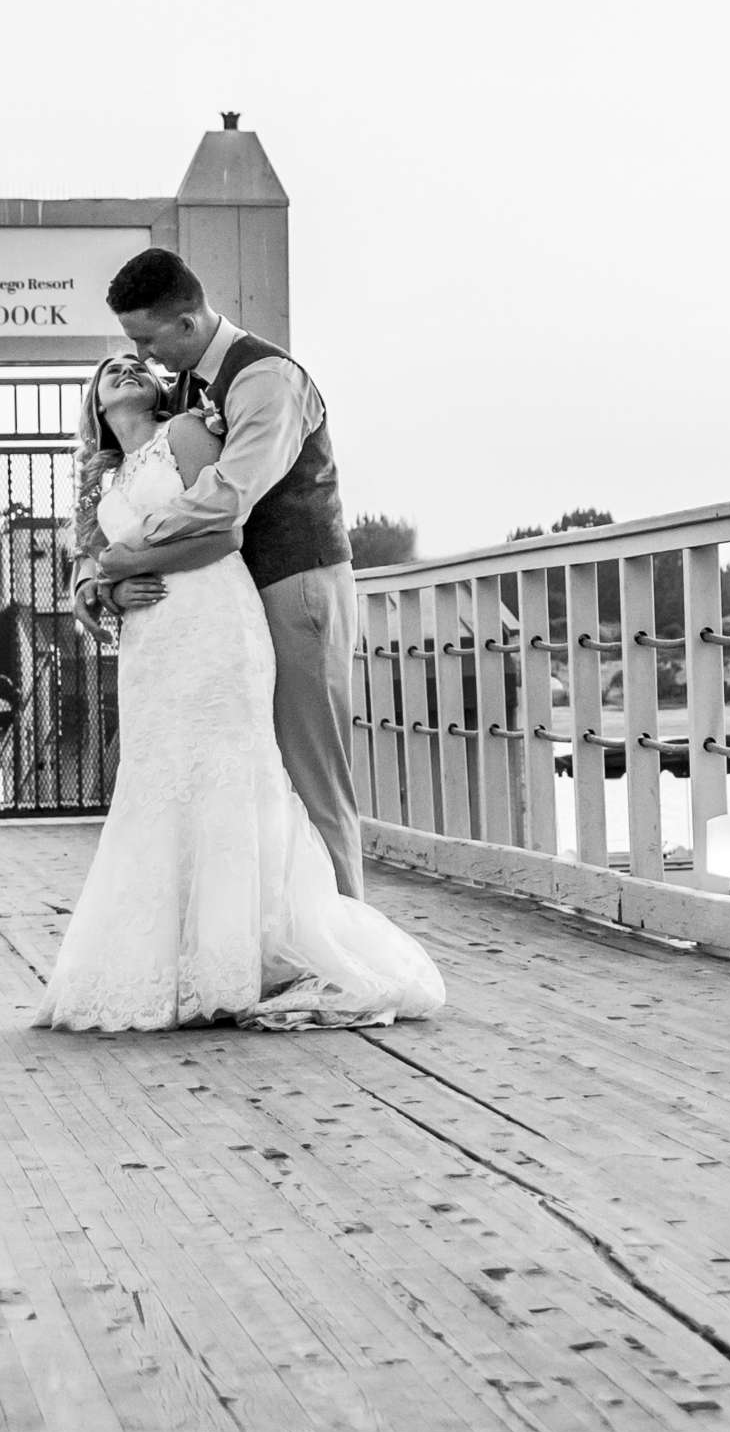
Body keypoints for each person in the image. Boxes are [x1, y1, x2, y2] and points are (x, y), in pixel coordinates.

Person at [34, 352, 444, 1032]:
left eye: (138, 363)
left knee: (229, 774)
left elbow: (224, 532)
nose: (128, 369)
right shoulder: (102, 480)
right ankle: (169, 959)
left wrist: (125, 562)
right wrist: (104, 586)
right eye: (111, 371)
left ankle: (246, 956)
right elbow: (86, 569)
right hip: (152, 643)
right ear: (95, 407)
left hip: (214, 621)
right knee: (160, 782)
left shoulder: (187, 435)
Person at [74, 248, 367, 897]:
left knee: (311, 774)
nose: (143, 358)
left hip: (297, 583)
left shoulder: (267, 379)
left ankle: (345, 947)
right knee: (260, 775)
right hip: (233, 605)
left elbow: (231, 494)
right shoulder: (186, 388)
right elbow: (107, 510)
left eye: (146, 339)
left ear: (186, 322)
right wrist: (100, 577)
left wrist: (131, 551)